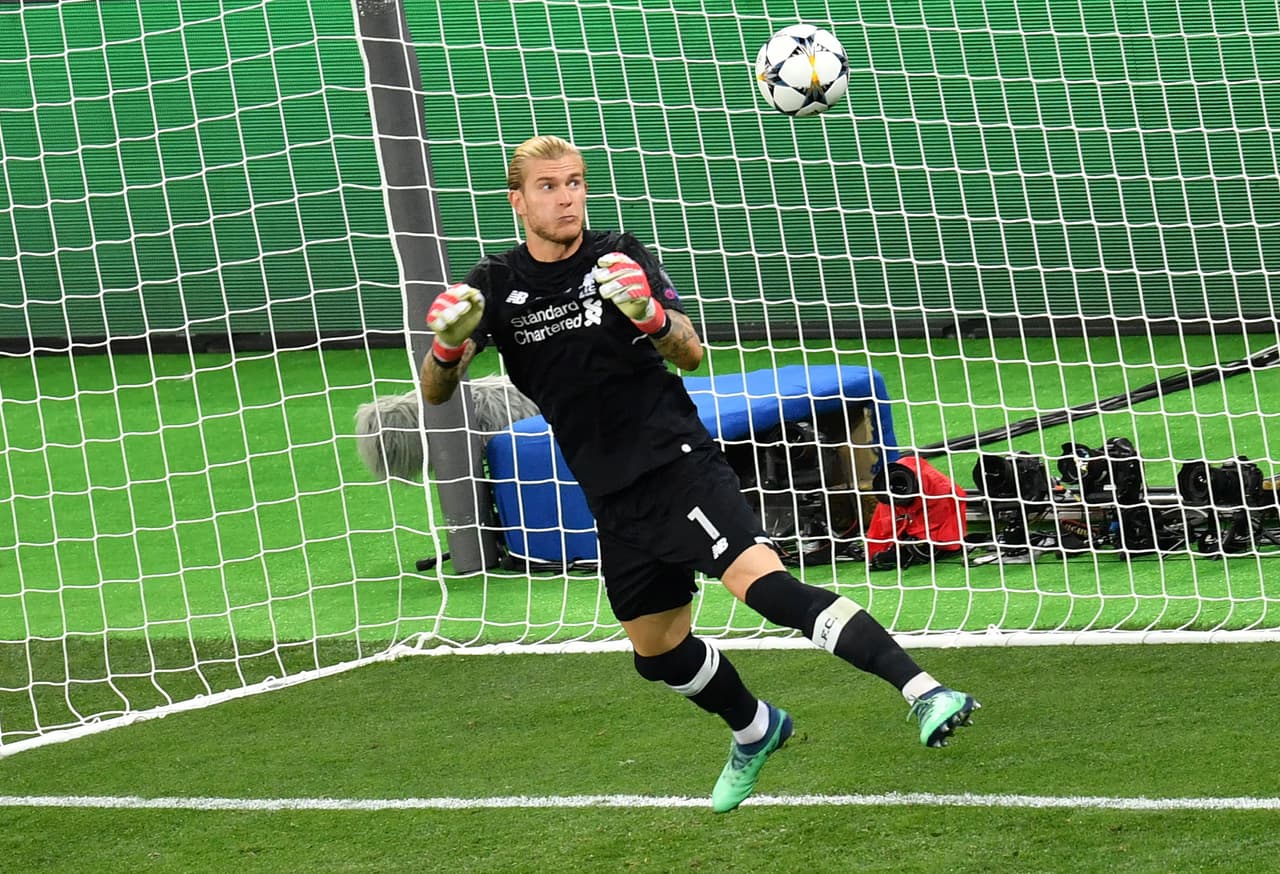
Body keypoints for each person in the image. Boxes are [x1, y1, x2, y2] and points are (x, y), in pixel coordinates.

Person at [420, 134, 979, 813]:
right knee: (657, 653)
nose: (566, 197)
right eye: (548, 186)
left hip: (676, 463)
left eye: (574, 182)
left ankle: (924, 691)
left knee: (764, 587)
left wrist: (650, 316)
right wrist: (449, 347)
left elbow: (689, 351)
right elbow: (435, 394)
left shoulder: (615, 255)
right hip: (611, 494)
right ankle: (756, 727)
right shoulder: (496, 284)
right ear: (518, 200)